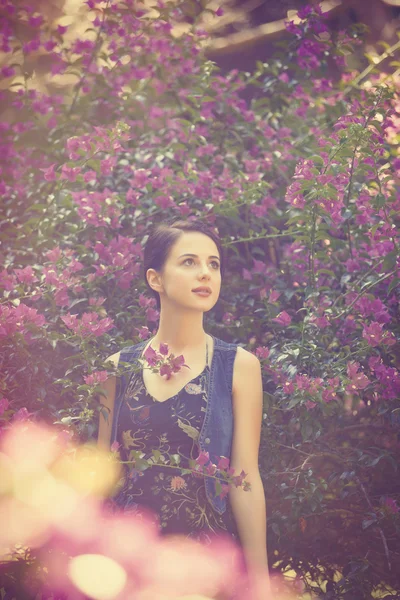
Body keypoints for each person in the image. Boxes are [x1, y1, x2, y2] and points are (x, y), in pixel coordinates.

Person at [97, 217, 270, 595]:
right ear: (155, 279)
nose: (205, 274)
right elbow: (100, 477)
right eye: (189, 262)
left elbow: (246, 480)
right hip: (127, 569)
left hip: (206, 568)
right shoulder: (117, 368)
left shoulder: (238, 366)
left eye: (214, 264)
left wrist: (258, 583)